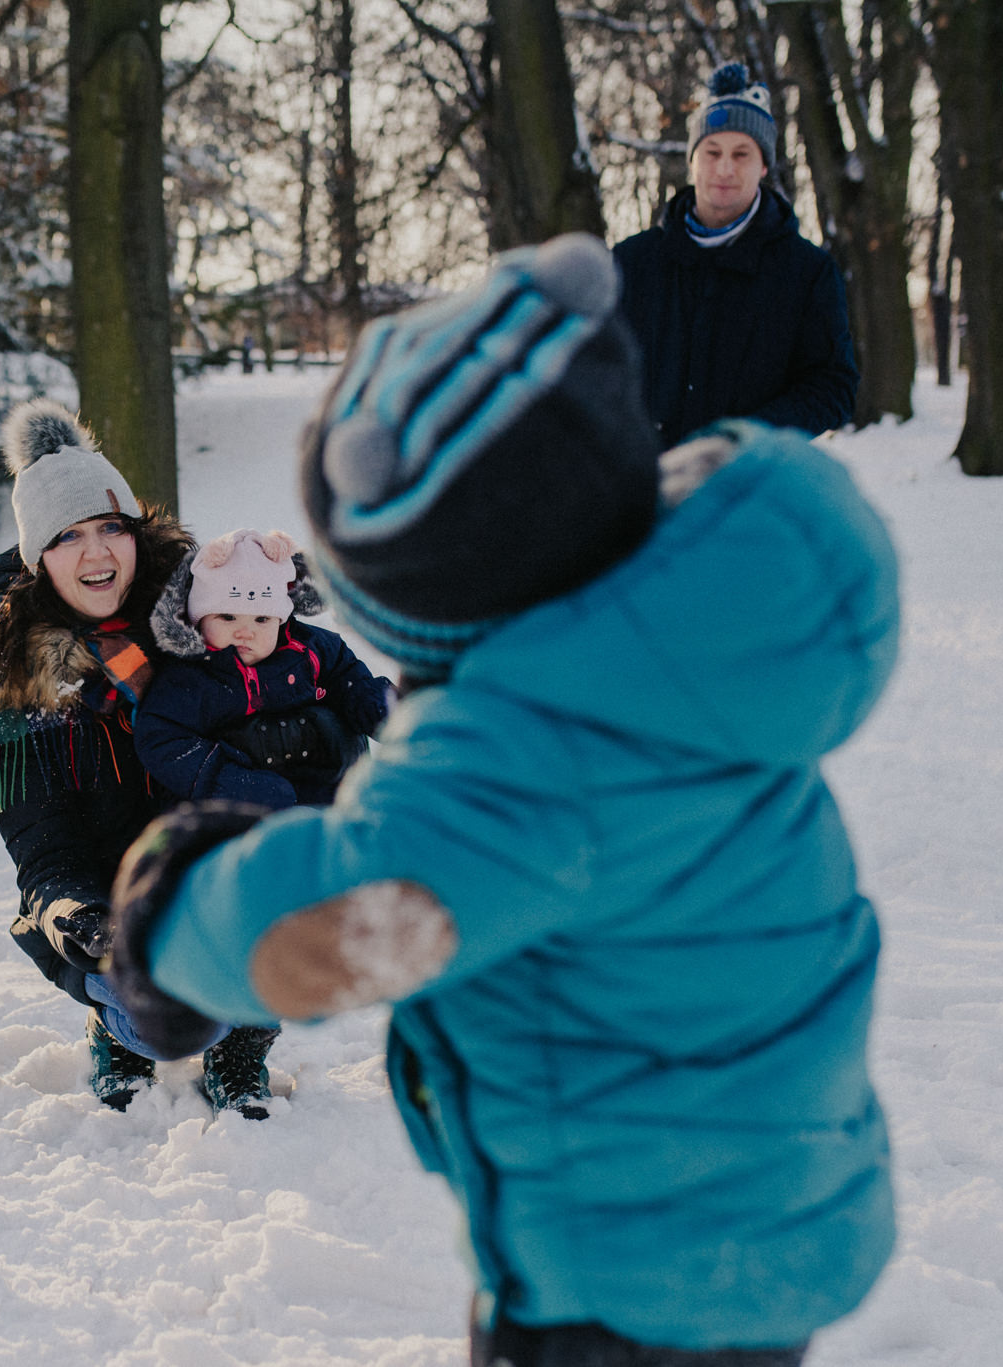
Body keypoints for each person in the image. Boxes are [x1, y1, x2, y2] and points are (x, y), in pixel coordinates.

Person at [102, 234, 900, 1364]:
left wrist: (174, 914)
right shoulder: (687, 638)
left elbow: (333, 920)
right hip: (766, 1206)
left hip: (618, 1272)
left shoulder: (538, 750)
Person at [0, 398, 295, 1118]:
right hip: (113, 905)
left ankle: (242, 1041)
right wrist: (79, 918)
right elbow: (46, 851)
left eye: (110, 529)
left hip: (211, 876)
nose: (97, 554)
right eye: (69, 537)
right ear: (38, 558)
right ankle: (118, 1030)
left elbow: (305, 705)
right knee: (150, 1011)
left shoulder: (207, 626)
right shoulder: (21, 687)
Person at [613, 61, 858, 443]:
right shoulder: (632, 263)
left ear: (763, 165)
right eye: (712, 152)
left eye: (742, 154)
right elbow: (590, 368)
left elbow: (832, 386)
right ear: (692, 160)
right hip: (645, 488)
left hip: (748, 485)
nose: (724, 168)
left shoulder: (807, 273)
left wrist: (745, 439)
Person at [135, 527, 390, 810]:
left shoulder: (308, 649)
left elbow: (348, 676)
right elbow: (162, 738)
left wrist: (380, 708)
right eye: (228, 616)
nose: (246, 632)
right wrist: (229, 783)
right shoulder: (190, 678)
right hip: (239, 809)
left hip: (325, 797)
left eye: (262, 619)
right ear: (198, 620)